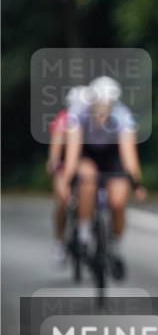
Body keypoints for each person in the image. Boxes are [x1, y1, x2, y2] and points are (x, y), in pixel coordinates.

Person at [57, 76, 147, 280]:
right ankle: (84, 232)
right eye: (99, 103)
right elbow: (73, 152)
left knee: (118, 201)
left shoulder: (123, 115)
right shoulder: (78, 113)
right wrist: (68, 181)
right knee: (87, 179)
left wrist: (136, 182)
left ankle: (114, 244)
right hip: (87, 154)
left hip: (112, 155)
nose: (103, 109)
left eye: (108, 104)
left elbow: (128, 153)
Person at [47, 85, 88, 264]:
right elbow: (55, 151)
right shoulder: (63, 120)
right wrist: (54, 163)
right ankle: (59, 241)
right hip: (65, 164)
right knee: (63, 201)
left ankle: (90, 227)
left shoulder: (94, 120)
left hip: (86, 164)